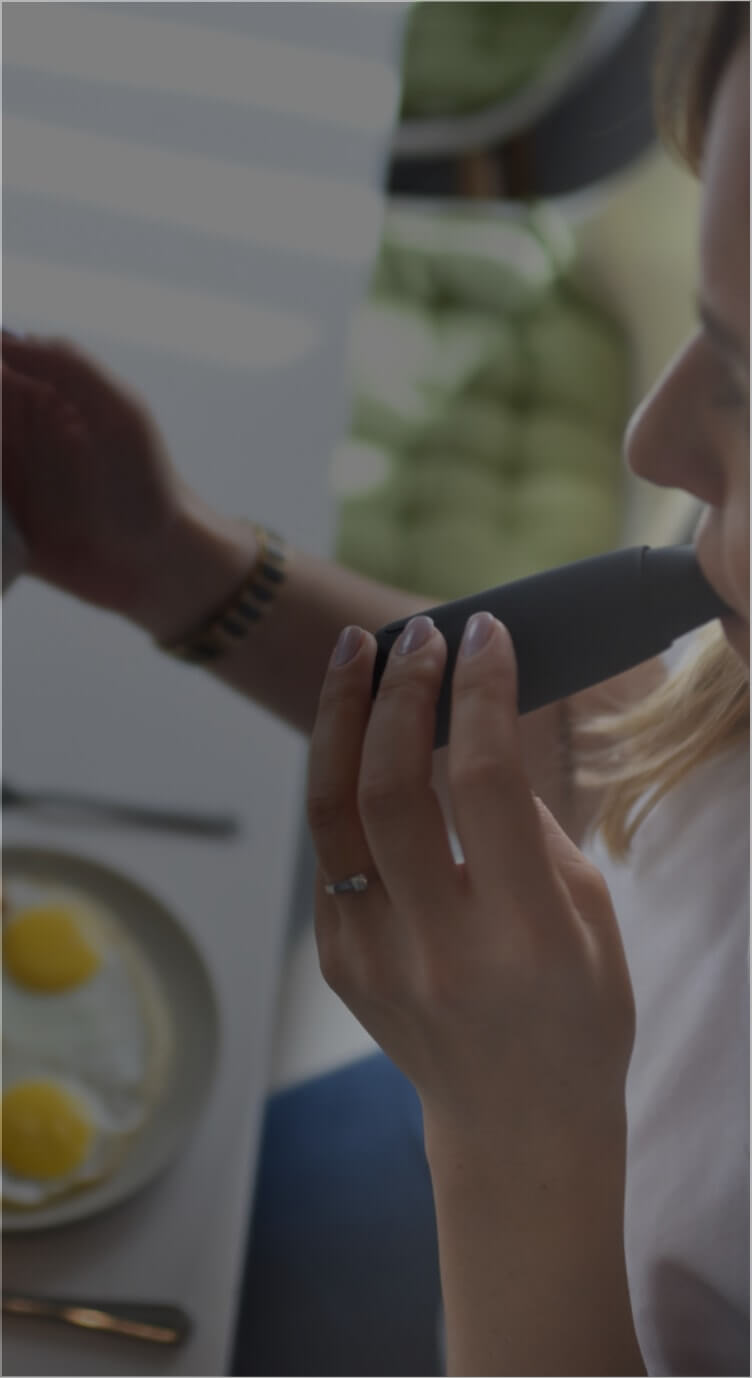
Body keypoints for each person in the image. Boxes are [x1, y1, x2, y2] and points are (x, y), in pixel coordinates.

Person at [2, 3, 749, 1372]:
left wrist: (512, 1137)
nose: (653, 439)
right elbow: (647, 776)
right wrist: (178, 564)